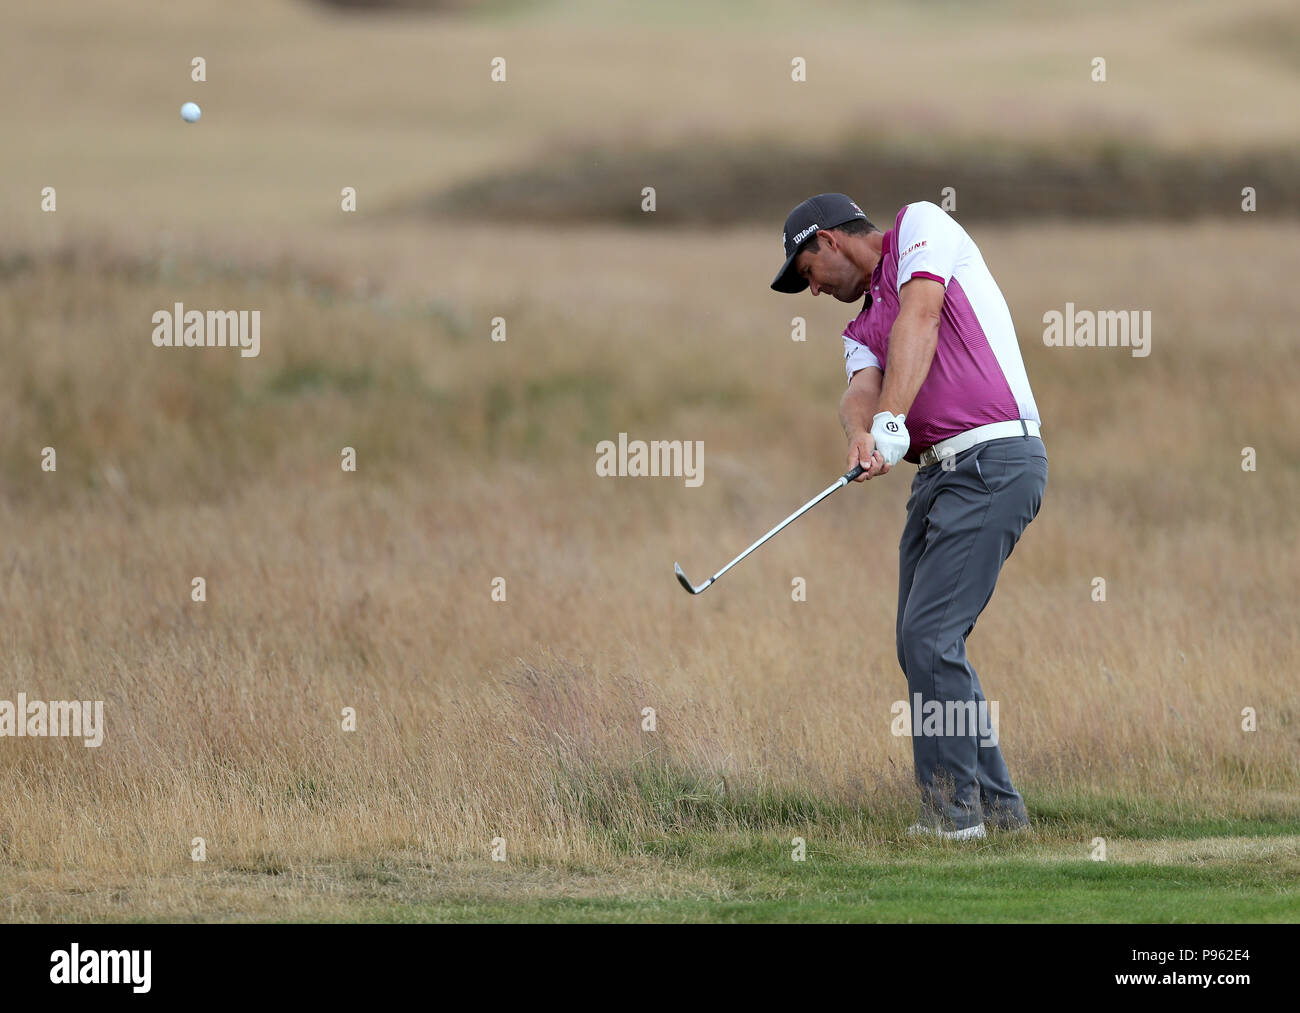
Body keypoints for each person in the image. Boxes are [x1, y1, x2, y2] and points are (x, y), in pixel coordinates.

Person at [771, 194, 1048, 840]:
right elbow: (859, 390)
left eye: (806, 270)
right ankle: (1002, 815)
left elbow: (920, 319)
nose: (810, 289)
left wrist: (894, 419)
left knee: (929, 638)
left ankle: (953, 820)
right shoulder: (859, 327)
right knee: (920, 643)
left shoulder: (921, 226)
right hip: (938, 481)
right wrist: (862, 433)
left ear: (832, 241)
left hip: (995, 458)